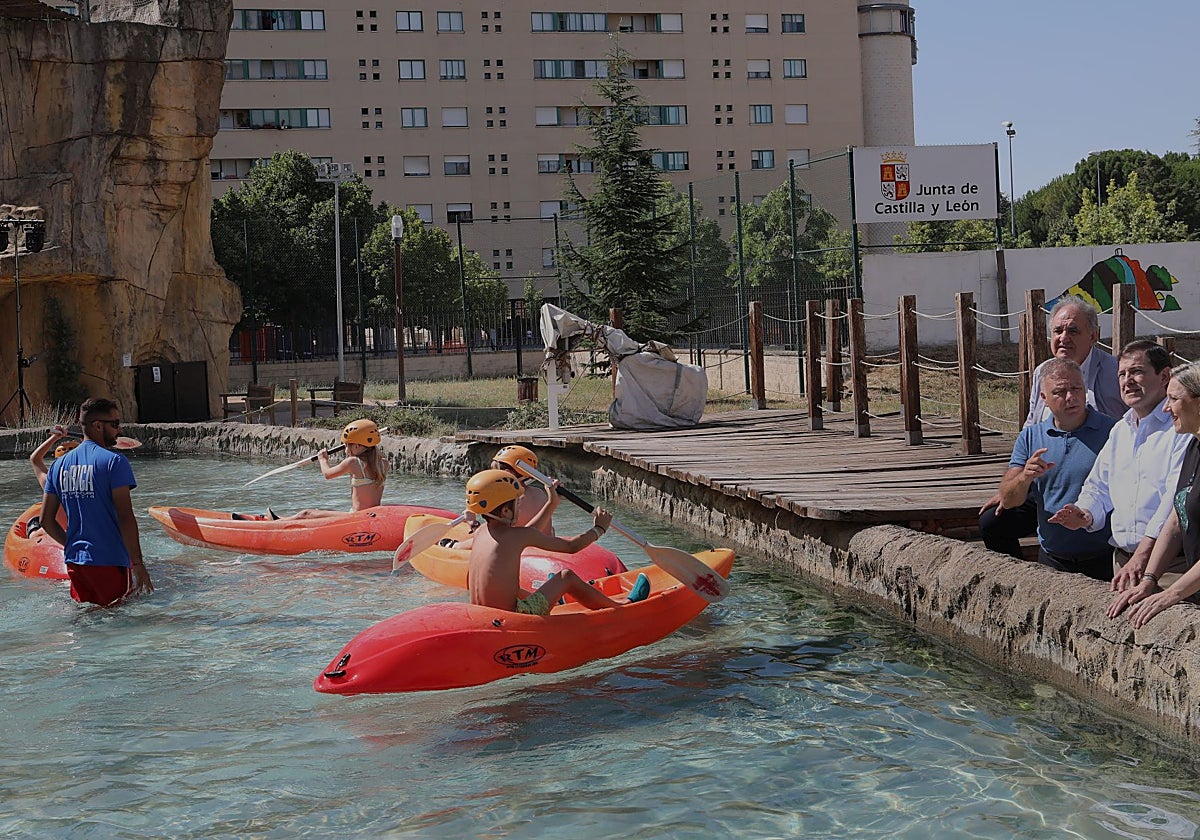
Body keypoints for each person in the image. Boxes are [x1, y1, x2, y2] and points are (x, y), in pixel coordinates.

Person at [979, 297, 1123, 553]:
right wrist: (1014, 485)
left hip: (1101, 484)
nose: (1064, 338)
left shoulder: (1117, 373)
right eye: (1058, 330)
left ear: (1093, 335)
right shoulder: (1043, 371)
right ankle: (1017, 575)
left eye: (1073, 330)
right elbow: (1031, 426)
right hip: (1049, 479)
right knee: (993, 520)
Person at [1049, 340, 1190, 588]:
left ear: (1164, 376)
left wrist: (1143, 555)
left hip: (1172, 567)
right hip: (1123, 563)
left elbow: (1174, 501)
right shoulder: (1121, 430)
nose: (1127, 381)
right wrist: (1085, 512)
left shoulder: (1180, 429)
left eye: (1137, 371)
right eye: (1122, 374)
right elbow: (1098, 486)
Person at [992, 359, 1118, 579]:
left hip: (1105, 557)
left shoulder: (1114, 431)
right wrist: (1024, 478)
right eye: (1060, 392)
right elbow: (1008, 500)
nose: (1071, 397)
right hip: (1053, 558)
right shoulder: (1030, 437)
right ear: (1044, 398)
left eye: (1076, 388)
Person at [465, 469, 649, 615]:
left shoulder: (481, 532)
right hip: (516, 615)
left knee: (514, 586)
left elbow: (529, 533)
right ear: (506, 511)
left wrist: (552, 502)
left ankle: (555, 599)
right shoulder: (517, 536)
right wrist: (599, 529)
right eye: (517, 503)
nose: (519, 506)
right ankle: (621, 606)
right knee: (565, 577)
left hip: (484, 615)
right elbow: (571, 547)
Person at [1106, 361, 1200, 627]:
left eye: (1174, 399)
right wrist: (1149, 580)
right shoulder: (1194, 446)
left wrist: (1172, 594)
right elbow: (1176, 518)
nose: (1166, 408)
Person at [40, 398, 152, 607]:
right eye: (115, 424)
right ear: (98, 426)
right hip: (110, 561)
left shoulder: (58, 466)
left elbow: (45, 520)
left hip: (75, 563)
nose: (119, 430)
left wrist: (71, 545)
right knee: (118, 616)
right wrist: (138, 563)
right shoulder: (115, 462)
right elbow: (125, 516)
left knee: (87, 615)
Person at [267, 419, 388, 519]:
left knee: (306, 514)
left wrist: (322, 459)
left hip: (357, 517)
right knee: (316, 514)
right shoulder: (383, 463)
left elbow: (327, 474)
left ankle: (278, 523)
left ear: (356, 446)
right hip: (372, 515)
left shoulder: (353, 462)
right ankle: (283, 519)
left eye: (347, 445)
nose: (345, 449)